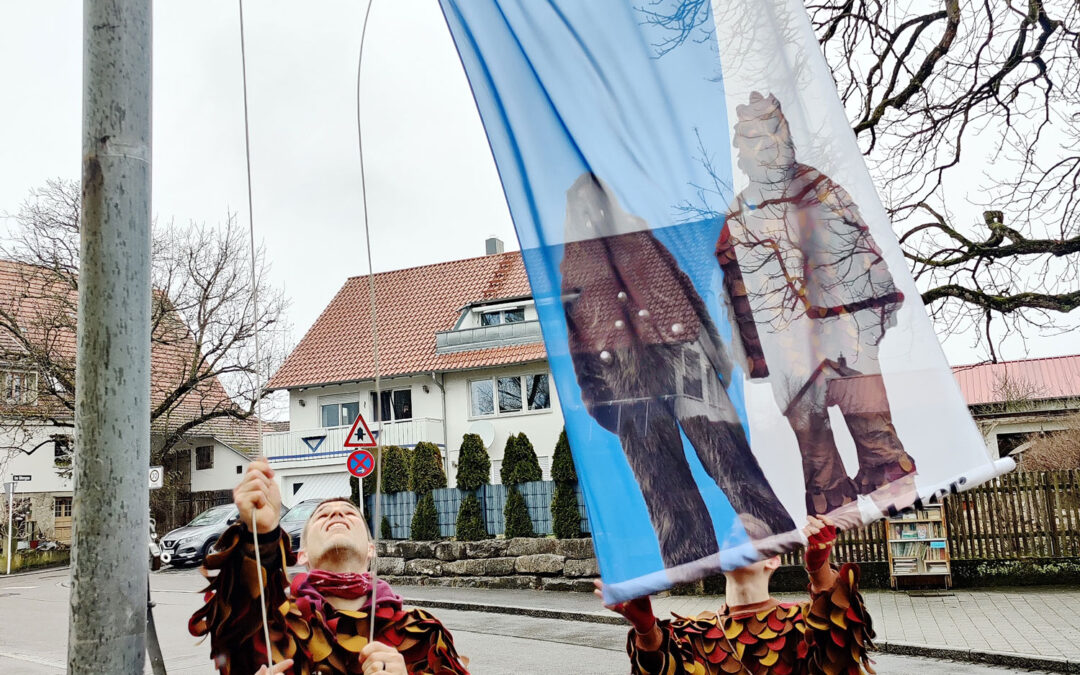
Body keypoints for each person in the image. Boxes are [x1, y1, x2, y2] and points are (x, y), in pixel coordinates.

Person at [561, 172, 796, 571]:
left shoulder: (640, 237)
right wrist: (598, 399)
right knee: (662, 479)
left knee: (730, 456)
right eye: (585, 204)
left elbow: (684, 289)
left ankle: (777, 537)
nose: (593, 211)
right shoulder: (575, 265)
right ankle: (691, 564)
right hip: (625, 380)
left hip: (684, 357)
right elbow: (577, 337)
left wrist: (715, 357)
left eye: (598, 200)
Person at [716, 91, 917, 520]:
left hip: (843, 326)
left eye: (775, 133)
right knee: (814, 443)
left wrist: (867, 315)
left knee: (872, 422)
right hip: (788, 340)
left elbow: (858, 249)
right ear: (743, 149)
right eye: (757, 138)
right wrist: (756, 349)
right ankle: (834, 521)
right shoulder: (739, 214)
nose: (769, 145)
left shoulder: (817, 187)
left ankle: (897, 507)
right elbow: (740, 292)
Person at [189, 460, 470, 675]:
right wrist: (260, 534)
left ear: (371, 549)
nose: (336, 513)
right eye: (322, 515)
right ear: (303, 555)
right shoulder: (274, 622)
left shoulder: (421, 633)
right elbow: (232, 633)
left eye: (350, 514)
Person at [597, 515, 875, 674]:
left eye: (749, 534)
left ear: (773, 560)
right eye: (729, 537)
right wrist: (646, 629)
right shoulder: (690, 634)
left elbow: (842, 657)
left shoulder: (803, 622)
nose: (735, 540)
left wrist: (819, 570)